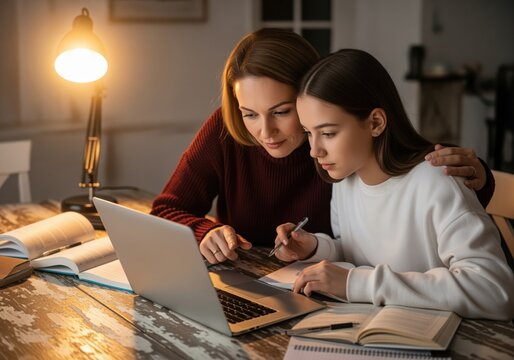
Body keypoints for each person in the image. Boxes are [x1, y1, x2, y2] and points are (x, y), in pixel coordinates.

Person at [151, 28, 494, 265]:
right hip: (261, 284)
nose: (265, 131)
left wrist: (481, 175)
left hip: (332, 293)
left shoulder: (345, 145)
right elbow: (166, 209)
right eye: (249, 114)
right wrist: (205, 231)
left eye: (282, 111)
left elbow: (410, 169)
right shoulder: (228, 130)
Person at [273, 49, 514, 320]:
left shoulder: (436, 181)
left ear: (375, 122)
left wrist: (357, 283)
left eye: (328, 133)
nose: (314, 150)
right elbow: (356, 249)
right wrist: (314, 247)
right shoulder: (345, 179)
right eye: (308, 133)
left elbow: (494, 291)